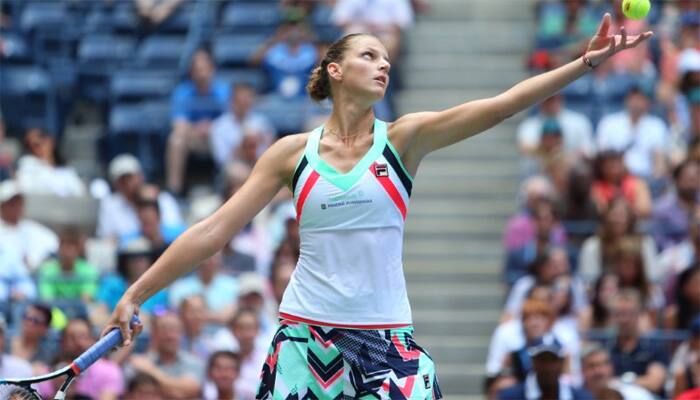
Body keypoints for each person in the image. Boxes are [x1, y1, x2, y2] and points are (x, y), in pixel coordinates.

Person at [104, 18, 652, 399]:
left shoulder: (405, 139)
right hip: (304, 335)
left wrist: (583, 62)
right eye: (369, 55)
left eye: (387, 59)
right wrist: (137, 292)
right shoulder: (290, 153)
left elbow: (501, 106)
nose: (382, 65)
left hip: (386, 335)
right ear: (336, 70)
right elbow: (212, 231)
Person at [166, 48, 229, 195]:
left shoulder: (224, 90)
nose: (202, 73)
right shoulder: (182, 92)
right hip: (194, 138)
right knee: (176, 140)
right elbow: (178, 124)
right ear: (191, 72)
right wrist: (197, 129)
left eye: (205, 68)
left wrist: (212, 127)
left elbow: (231, 121)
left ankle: (227, 190)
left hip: (217, 138)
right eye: (198, 69)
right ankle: (174, 192)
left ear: (212, 69)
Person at [98, 154, 182, 241]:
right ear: (116, 184)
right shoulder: (110, 205)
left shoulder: (164, 199)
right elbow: (107, 239)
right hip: (128, 253)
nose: (128, 183)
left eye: (130, 177)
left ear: (141, 176)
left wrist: (151, 202)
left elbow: (176, 233)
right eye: (122, 180)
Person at [596, 84, 669, 181]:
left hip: (647, 179)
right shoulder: (609, 123)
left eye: (640, 98)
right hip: (615, 178)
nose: (636, 102)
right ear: (626, 100)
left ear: (648, 102)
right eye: (633, 98)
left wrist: (655, 180)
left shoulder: (657, 125)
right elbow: (602, 155)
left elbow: (660, 161)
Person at [126, 311, 204, 399]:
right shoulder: (139, 361)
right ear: (154, 333)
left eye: (174, 330)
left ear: (181, 334)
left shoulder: (193, 362)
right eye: (164, 330)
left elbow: (188, 391)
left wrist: (151, 370)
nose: (170, 335)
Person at [603, 289, 668, 395]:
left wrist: (620, 382)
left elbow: (655, 383)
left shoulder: (654, 347)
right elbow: (600, 382)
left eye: (629, 313)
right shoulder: (604, 348)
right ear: (611, 317)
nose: (624, 319)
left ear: (639, 315)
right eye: (618, 314)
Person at [51, 318, 124, 400]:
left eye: (83, 336)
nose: (78, 342)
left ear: (92, 340)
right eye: (72, 337)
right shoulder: (50, 372)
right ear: (62, 342)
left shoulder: (109, 370)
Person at [209, 83, 275, 171]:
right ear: (232, 101)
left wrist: (262, 141)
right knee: (237, 172)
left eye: (248, 99)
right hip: (234, 167)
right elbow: (221, 160)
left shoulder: (261, 123)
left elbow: (271, 152)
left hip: (259, 166)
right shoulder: (219, 126)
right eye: (241, 100)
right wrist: (243, 145)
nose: (245, 103)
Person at [497, 339, 593, 400]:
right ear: (533, 362)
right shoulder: (510, 397)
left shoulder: (582, 397)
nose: (548, 367)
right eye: (542, 360)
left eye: (552, 360)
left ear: (562, 363)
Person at [0, 180, 59, 273]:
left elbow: (53, 244)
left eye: (19, 203)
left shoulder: (31, 228)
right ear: (2, 206)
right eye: (12, 204)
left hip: (30, 279)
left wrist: (35, 263)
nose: (17, 207)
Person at [517, 94, 595, 162]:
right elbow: (524, 147)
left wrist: (564, 158)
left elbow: (588, 151)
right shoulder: (529, 125)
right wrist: (549, 153)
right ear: (540, 102)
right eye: (547, 100)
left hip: (571, 172)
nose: (550, 104)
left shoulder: (579, 121)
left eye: (553, 99)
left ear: (560, 99)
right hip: (538, 173)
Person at [16, 127, 86, 197]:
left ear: (50, 141)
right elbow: (26, 189)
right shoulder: (27, 164)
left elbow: (80, 193)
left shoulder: (67, 171)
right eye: (29, 146)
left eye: (37, 144)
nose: (35, 149)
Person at [38, 228, 99, 302]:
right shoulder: (47, 271)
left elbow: (87, 298)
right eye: (63, 246)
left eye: (70, 247)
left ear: (78, 250)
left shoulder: (89, 271)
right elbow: (47, 299)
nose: (66, 252)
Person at [651, 159, 700, 250]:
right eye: (689, 178)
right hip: (676, 258)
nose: (693, 183)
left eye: (696, 177)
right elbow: (660, 243)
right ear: (677, 180)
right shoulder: (662, 210)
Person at [581, 344, 654, 400]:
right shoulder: (572, 394)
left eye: (602, 365)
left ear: (611, 367)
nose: (598, 371)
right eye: (591, 366)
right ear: (582, 370)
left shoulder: (634, 395)